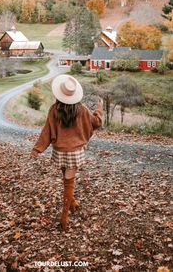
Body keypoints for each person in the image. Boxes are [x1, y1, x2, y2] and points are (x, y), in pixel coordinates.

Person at [30, 74, 103, 230]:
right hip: (75, 152)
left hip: (59, 152)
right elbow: (96, 123)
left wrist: (37, 149)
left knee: (66, 179)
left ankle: (73, 203)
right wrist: (99, 110)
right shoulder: (82, 109)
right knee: (68, 183)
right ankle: (64, 218)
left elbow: (46, 132)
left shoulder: (54, 110)